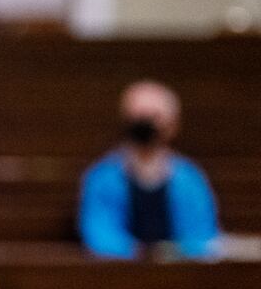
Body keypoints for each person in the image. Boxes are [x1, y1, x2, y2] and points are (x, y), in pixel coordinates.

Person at [77, 79, 221, 260]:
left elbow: (203, 236)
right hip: (118, 276)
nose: (145, 126)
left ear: (173, 126)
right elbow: (98, 235)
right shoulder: (103, 177)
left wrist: (170, 253)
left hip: (181, 275)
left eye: (154, 117)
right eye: (138, 117)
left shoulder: (189, 179)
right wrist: (140, 253)